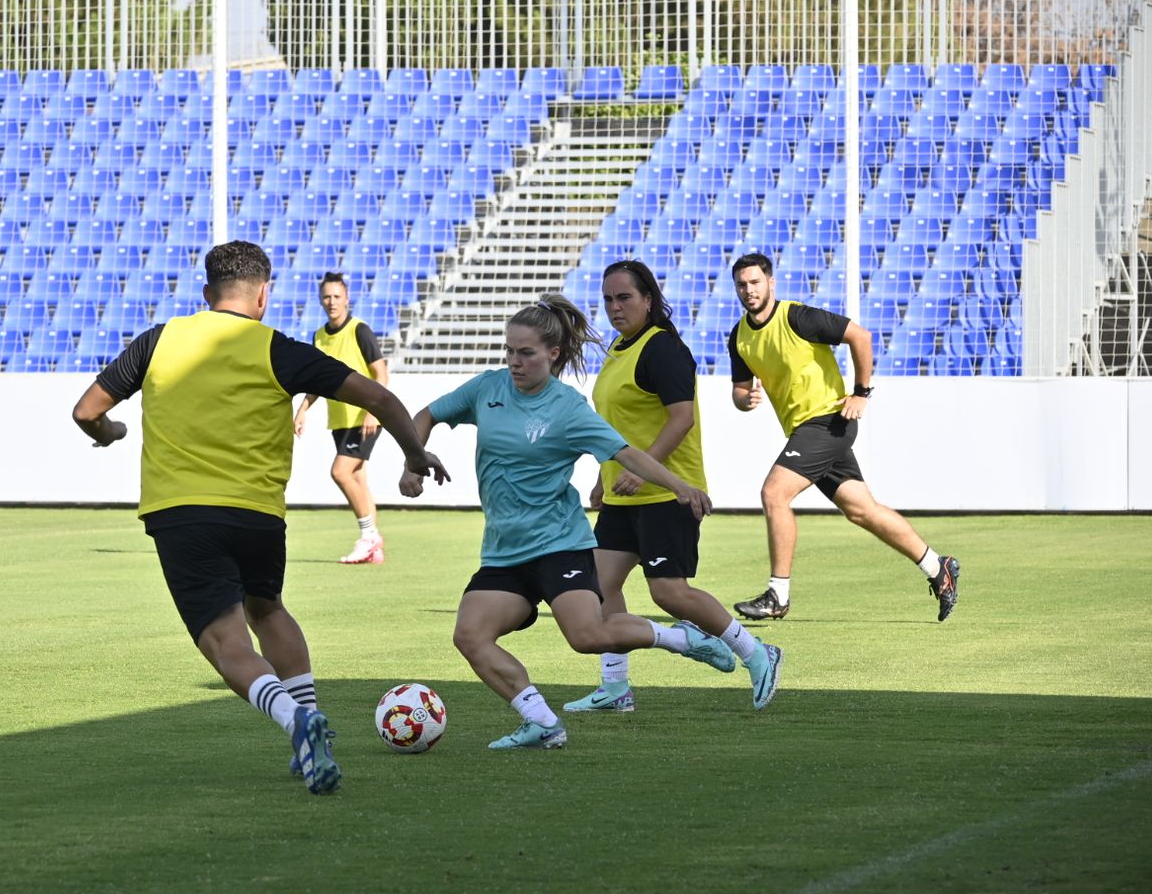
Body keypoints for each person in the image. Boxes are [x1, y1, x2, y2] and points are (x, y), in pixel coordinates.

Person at [71, 241, 448, 795]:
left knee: (226, 644)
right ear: (264, 294)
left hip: (183, 513)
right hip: (258, 515)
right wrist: (416, 456)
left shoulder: (158, 341)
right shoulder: (279, 349)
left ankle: (298, 723)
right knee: (267, 608)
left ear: (206, 294)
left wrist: (111, 433)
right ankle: (311, 727)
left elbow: (87, 412)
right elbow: (382, 398)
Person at [399, 293, 754, 752]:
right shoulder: (487, 390)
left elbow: (626, 454)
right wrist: (413, 460)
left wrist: (679, 485)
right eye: (509, 351)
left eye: (525, 353)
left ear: (554, 354)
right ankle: (541, 722)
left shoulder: (569, 409)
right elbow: (426, 415)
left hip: (559, 545)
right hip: (504, 551)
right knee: (469, 635)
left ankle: (677, 636)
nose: (514, 362)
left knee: (587, 637)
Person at [564, 260, 782, 715]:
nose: (614, 307)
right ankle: (615, 686)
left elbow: (681, 418)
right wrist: (601, 480)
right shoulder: (620, 349)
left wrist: (644, 472)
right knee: (601, 588)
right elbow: (615, 428)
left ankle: (757, 652)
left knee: (669, 592)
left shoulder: (662, 348)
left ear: (648, 299)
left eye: (624, 297)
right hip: (625, 495)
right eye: (607, 299)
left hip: (667, 492)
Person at [726, 251, 959, 621]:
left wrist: (861, 392)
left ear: (771, 282)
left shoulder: (797, 316)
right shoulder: (739, 336)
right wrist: (745, 399)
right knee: (862, 510)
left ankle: (778, 595)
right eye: (742, 284)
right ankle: (937, 566)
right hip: (805, 430)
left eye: (755, 282)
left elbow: (859, 336)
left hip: (828, 421)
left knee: (774, 493)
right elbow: (740, 391)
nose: (748, 290)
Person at [292, 272, 389, 564]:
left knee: (340, 472)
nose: (331, 302)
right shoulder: (319, 336)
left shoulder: (360, 330)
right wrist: (303, 408)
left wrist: (372, 411)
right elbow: (318, 380)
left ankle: (368, 536)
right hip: (340, 420)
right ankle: (375, 548)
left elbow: (381, 374)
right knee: (358, 479)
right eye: (326, 297)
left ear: (346, 298)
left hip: (365, 418)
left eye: (336, 296)